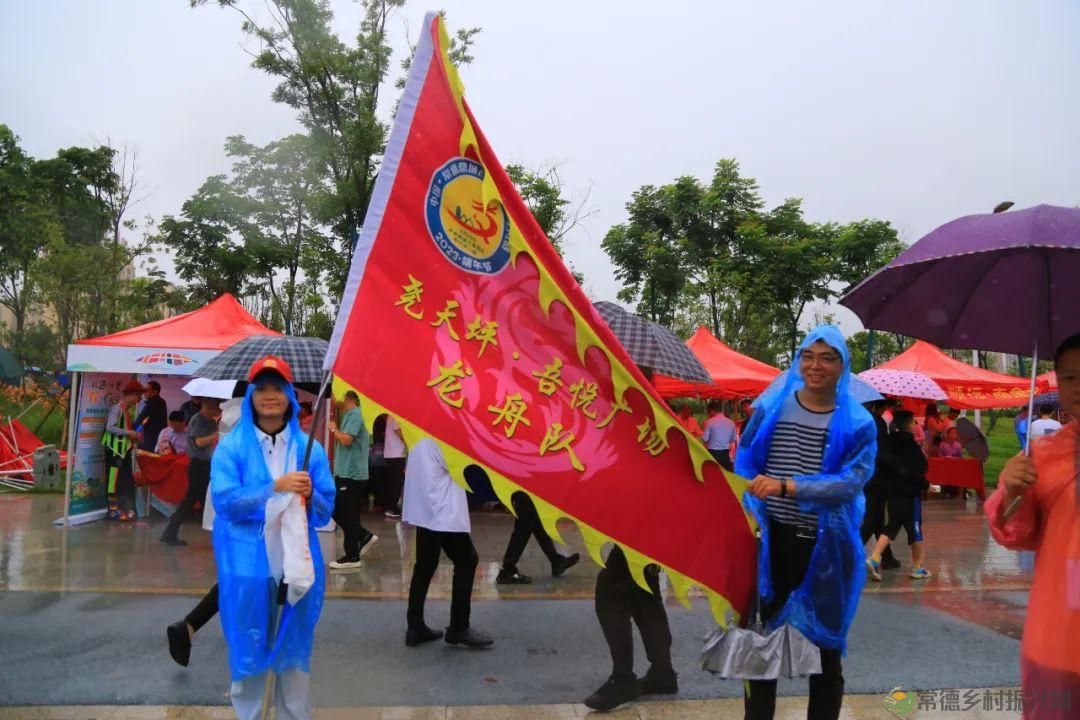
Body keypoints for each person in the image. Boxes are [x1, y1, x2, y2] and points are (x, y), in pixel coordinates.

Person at [737, 325, 876, 720]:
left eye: (827, 357)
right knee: (762, 643)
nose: (816, 366)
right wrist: (753, 497)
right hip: (771, 541)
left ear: (842, 365)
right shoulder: (771, 408)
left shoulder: (858, 423)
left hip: (826, 546)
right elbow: (745, 458)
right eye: (808, 356)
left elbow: (851, 483)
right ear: (798, 361)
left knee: (826, 648)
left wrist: (786, 486)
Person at [213, 356, 334, 720]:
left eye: (277, 388)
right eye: (262, 388)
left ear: (289, 396)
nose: (270, 396)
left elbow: (326, 508)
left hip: (295, 569)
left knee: (294, 664)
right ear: (250, 395)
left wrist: (310, 494)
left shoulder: (308, 449)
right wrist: (274, 488)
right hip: (248, 570)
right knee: (249, 659)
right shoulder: (231, 447)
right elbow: (226, 501)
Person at [985, 333, 1080, 719]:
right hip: (1058, 624)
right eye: (1071, 377)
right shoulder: (1043, 454)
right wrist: (1012, 490)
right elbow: (1015, 533)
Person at [584, 366, 677, 713]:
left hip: (645, 524)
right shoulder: (647, 412)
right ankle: (663, 672)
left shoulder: (638, 415)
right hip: (650, 523)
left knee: (609, 593)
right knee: (645, 594)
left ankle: (623, 677)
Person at [165, 382, 246, 668]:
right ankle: (195, 626)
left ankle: (189, 627)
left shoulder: (230, 416)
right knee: (247, 574)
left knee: (239, 574)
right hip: (241, 505)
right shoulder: (242, 419)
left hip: (227, 501)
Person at [403, 438, 493, 649]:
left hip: (425, 508)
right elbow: (460, 465)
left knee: (425, 565)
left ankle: (415, 627)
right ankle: (459, 628)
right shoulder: (440, 436)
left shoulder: (419, 432)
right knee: (467, 560)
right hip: (442, 510)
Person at [866, 411, 931, 581]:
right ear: (910, 425)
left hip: (892, 493)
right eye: (914, 422)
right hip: (910, 495)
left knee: (891, 527)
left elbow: (886, 464)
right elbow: (918, 471)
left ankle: (874, 558)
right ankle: (918, 566)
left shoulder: (887, 443)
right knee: (915, 529)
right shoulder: (911, 447)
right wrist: (926, 485)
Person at [160, 396, 221, 547]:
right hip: (198, 465)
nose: (219, 409)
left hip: (205, 463)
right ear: (208, 405)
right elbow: (199, 442)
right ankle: (170, 531)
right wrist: (216, 434)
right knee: (193, 500)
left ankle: (171, 531)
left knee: (196, 500)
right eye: (216, 406)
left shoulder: (211, 421)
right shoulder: (199, 419)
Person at [327, 391, 377, 570]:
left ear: (346, 396)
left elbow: (347, 440)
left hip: (352, 474)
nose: (332, 399)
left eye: (334, 394)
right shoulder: (349, 415)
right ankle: (362, 537)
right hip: (345, 472)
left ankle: (352, 554)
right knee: (339, 510)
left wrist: (333, 429)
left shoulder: (356, 414)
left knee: (345, 513)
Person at [496, 491, 580, 584]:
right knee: (524, 527)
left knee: (536, 523)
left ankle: (556, 561)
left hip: (527, 488)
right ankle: (508, 569)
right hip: (526, 488)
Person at [860, 400, 899, 570]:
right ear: (880, 406)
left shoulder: (862, 419)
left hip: (866, 474)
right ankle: (850, 554)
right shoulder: (877, 422)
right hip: (878, 477)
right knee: (871, 518)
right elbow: (882, 452)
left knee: (877, 519)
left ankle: (887, 556)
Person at [101, 380, 144, 521]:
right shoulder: (117, 408)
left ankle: (126, 509)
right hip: (114, 451)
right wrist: (129, 433)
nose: (140, 400)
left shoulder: (126, 410)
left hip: (123, 451)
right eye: (138, 396)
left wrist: (133, 438)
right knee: (113, 480)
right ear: (131, 394)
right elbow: (110, 427)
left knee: (125, 480)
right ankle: (113, 511)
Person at [382, 414, 407, 518]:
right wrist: (410, 443)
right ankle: (390, 507)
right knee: (395, 482)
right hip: (395, 454)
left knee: (394, 481)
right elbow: (398, 432)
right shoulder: (395, 415)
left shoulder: (391, 415)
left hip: (394, 453)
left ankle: (392, 506)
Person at [701, 399, 737, 471]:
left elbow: (705, 439)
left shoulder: (709, 422)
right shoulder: (731, 422)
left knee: (713, 475)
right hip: (725, 454)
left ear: (711, 410)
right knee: (727, 476)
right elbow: (733, 439)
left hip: (713, 454)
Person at [134, 380, 169, 452]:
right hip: (159, 436)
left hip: (152, 437)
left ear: (155, 392)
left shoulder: (152, 403)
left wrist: (131, 429)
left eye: (147, 390)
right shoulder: (161, 401)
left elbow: (141, 417)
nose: (144, 393)